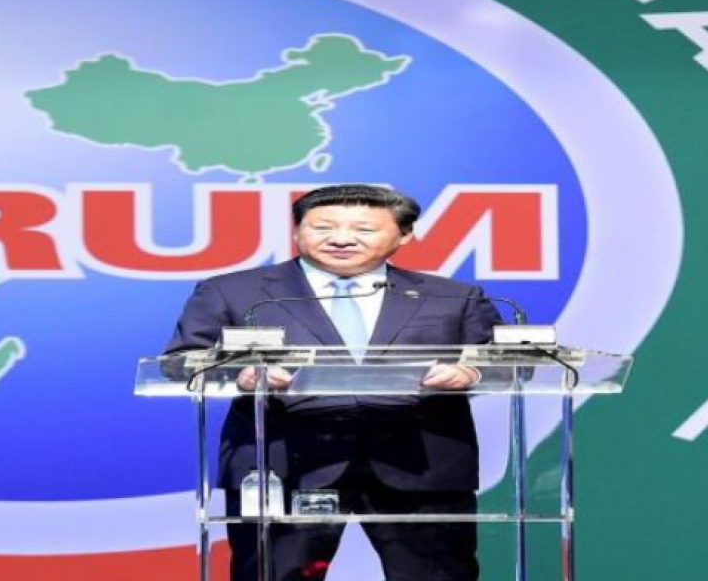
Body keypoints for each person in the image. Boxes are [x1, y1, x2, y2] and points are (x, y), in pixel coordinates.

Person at [166, 184, 502, 581]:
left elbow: (504, 362)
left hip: (420, 467)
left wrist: (471, 372)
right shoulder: (233, 291)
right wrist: (238, 374)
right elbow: (181, 363)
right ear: (297, 230)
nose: (341, 239)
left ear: (405, 234)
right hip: (282, 468)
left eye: (364, 229)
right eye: (323, 227)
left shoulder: (453, 297)